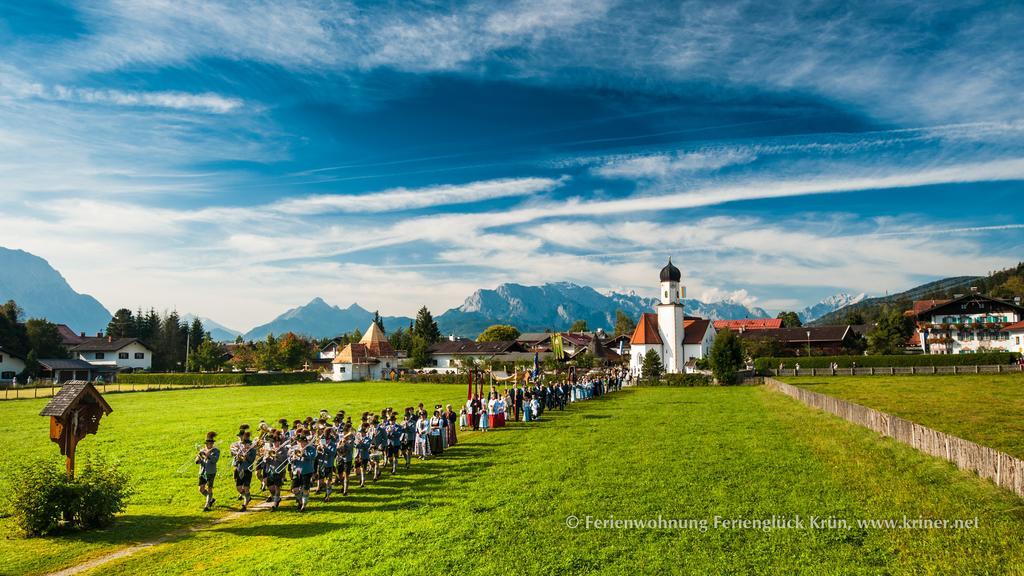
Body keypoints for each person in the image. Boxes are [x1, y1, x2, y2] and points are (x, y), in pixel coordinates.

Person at [230, 430, 257, 511]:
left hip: (247, 470)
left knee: (246, 487)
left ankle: (245, 504)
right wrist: (238, 457)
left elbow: (251, 460)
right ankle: (247, 496)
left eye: (246, 444)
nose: (245, 446)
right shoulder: (240, 449)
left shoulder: (252, 450)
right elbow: (236, 458)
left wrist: (246, 456)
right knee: (238, 487)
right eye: (244, 444)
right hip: (240, 469)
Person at [290, 434, 317, 512]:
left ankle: (303, 506)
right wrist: (292, 458)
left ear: (306, 442)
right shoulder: (295, 448)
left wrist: (304, 453)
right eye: (299, 442)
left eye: (302, 442)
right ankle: (301, 502)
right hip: (296, 471)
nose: (300, 444)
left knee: (305, 489)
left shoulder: (311, 448)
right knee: (294, 489)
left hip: (306, 471)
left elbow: (312, 457)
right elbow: (289, 459)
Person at [196, 431, 220, 512]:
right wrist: (199, 457)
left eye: (209, 443)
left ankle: (207, 505)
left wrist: (208, 454)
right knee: (201, 489)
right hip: (202, 472)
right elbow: (197, 461)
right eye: (206, 443)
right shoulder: (202, 450)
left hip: (210, 472)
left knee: (209, 488)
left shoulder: (216, 451)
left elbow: (214, 460)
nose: (207, 445)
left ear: (212, 443)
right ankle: (210, 499)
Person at [337, 423, 355, 496]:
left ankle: (345, 490)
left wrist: (345, 443)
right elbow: (337, 448)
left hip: (347, 459)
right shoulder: (340, 438)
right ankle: (343, 485)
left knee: (346, 475)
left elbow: (351, 448)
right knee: (339, 474)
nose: (344, 433)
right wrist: (340, 442)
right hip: (340, 458)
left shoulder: (351, 439)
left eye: (345, 431)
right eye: (343, 431)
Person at [354, 423, 371, 487]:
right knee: (357, 470)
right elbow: (355, 446)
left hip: (364, 456)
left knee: (363, 469)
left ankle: (362, 482)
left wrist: (362, 443)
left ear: (365, 433)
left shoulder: (368, 439)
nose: (361, 433)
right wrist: (357, 443)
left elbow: (367, 447)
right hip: (357, 456)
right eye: (360, 432)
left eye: (362, 432)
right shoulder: (357, 439)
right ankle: (360, 479)